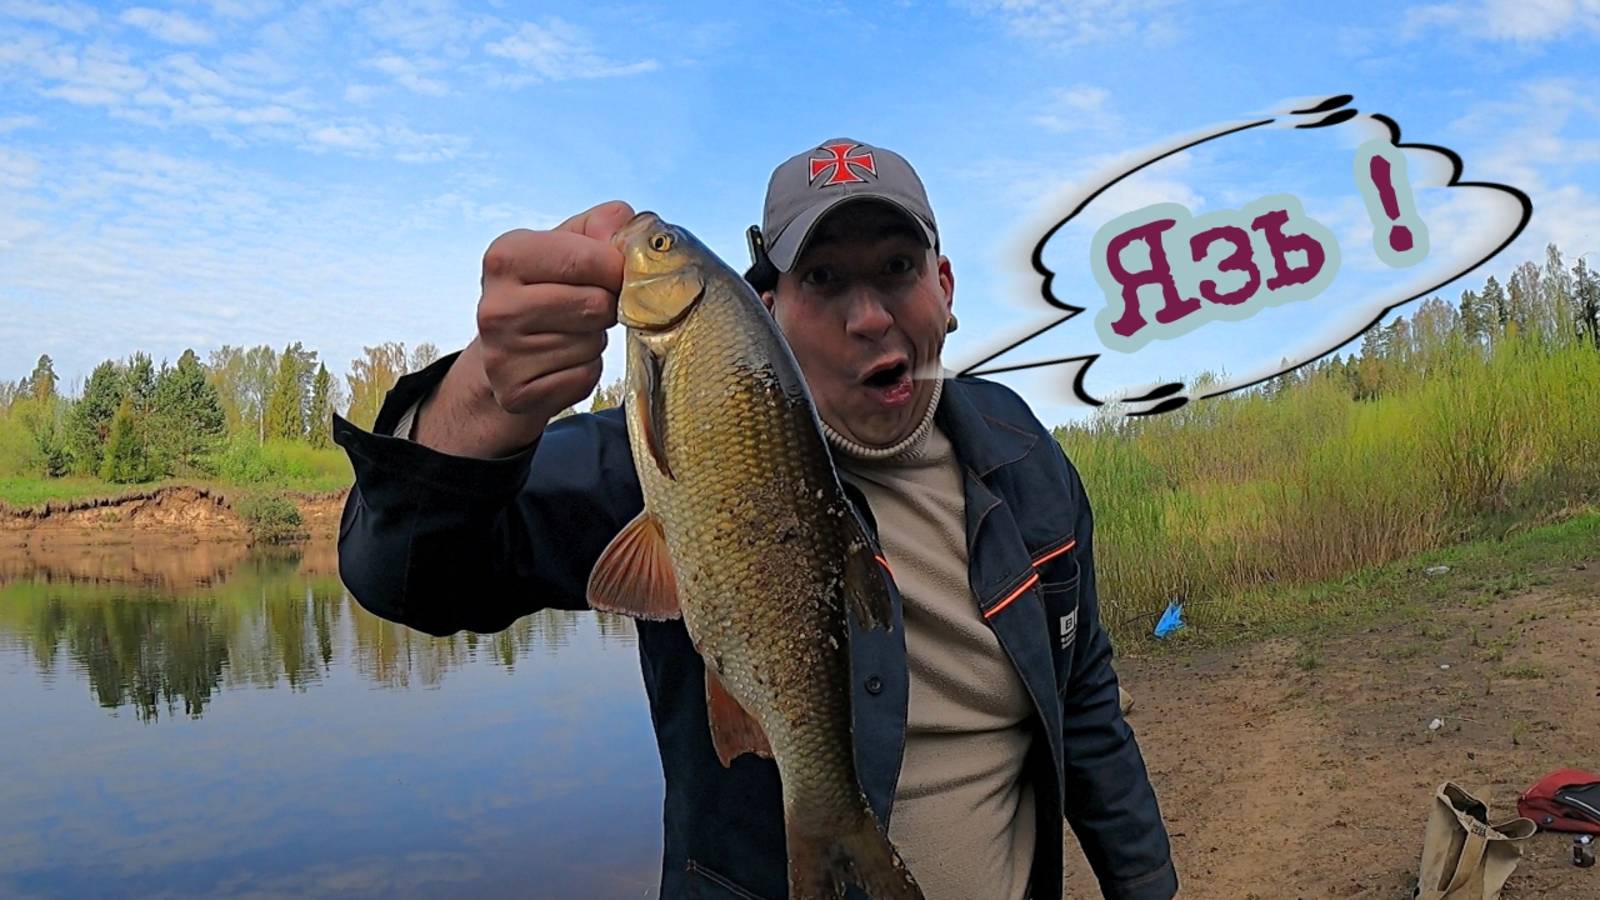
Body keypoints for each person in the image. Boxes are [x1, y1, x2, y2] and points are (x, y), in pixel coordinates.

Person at [333, 138, 1177, 900]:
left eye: (896, 268)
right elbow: (400, 574)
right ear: (767, 307)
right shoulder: (666, 454)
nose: (869, 317)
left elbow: (1085, 699)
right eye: (824, 279)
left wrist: (1143, 882)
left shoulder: (1023, 455)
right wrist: (484, 394)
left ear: (944, 288)